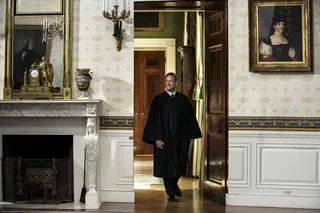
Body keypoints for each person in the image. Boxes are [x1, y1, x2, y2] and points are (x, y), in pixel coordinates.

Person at [142, 72, 202, 201]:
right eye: (166, 81)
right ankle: (170, 191)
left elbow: (189, 119)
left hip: (181, 138)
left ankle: (174, 185)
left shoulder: (183, 99)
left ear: (176, 83)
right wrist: (157, 138)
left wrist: (190, 136)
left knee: (180, 164)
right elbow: (153, 120)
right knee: (166, 165)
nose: (168, 83)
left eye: (170, 81)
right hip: (164, 139)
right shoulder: (158, 100)